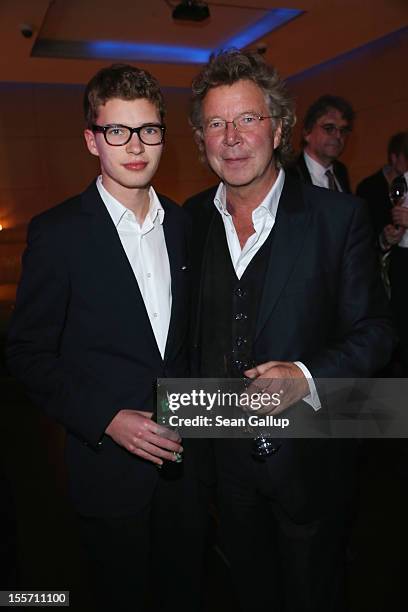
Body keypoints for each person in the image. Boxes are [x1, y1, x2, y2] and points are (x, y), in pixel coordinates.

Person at [184, 49, 394, 612]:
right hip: (223, 472)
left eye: (247, 119)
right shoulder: (187, 221)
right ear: (201, 138)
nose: (231, 137)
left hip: (312, 464)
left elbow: (376, 331)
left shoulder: (338, 218)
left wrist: (305, 377)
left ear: (278, 128)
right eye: (216, 124)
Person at [6, 64, 203, 612]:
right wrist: (107, 418)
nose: (135, 146)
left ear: (164, 133)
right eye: (118, 131)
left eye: (148, 130)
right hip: (108, 473)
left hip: (187, 469)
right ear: (93, 139)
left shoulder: (186, 226)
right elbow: (26, 353)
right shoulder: (58, 233)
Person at [290, 94, 354, 192]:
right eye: (329, 128)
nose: (338, 135)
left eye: (343, 130)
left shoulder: (341, 171)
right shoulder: (289, 173)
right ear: (307, 132)